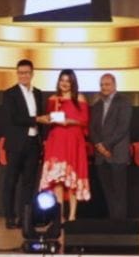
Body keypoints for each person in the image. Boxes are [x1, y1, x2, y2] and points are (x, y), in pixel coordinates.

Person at [38, 68, 91, 222]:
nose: (65, 83)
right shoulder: (52, 99)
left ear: (73, 83)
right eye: (62, 80)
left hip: (73, 141)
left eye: (68, 81)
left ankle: (72, 215)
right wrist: (44, 119)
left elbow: (85, 121)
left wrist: (70, 121)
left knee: (72, 180)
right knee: (58, 180)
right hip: (56, 141)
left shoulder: (80, 98)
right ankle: (59, 216)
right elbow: (50, 119)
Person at [2, 58, 45, 229]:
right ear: (17, 74)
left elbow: (41, 118)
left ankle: (24, 217)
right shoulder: (9, 94)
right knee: (11, 181)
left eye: (26, 73)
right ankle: (10, 217)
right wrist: (36, 119)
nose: (23, 76)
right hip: (16, 144)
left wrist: (42, 131)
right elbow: (14, 118)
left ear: (32, 74)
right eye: (20, 73)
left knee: (29, 183)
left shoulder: (38, 93)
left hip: (34, 143)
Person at [89, 72, 132, 219]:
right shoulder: (97, 105)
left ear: (114, 85)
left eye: (107, 84)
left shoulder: (124, 101)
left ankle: (120, 223)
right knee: (107, 191)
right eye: (102, 85)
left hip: (117, 154)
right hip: (101, 156)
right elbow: (92, 128)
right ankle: (113, 221)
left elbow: (122, 127)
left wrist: (105, 146)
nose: (104, 87)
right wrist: (99, 146)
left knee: (119, 191)